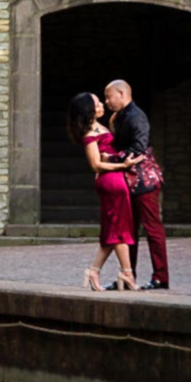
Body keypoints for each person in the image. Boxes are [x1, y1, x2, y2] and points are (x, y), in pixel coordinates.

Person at [66, 91, 138, 291]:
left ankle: (94, 270)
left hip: (115, 180)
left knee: (112, 230)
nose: (102, 105)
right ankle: (126, 272)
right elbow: (96, 165)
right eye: (97, 103)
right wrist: (123, 165)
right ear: (89, 110)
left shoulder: (103, 126)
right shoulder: (90, 134)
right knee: (118, 228)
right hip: (111, 181)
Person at [104, 79, 169, 291]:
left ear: (122, 94)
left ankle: (160, 277)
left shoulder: (136, 117)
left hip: (143, 181)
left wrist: (111, 159)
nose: (107, 102)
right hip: (129, 180)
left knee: (152, 229)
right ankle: (127, 276)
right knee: (128, 231)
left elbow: (139, 148)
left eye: (109, 97)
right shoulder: (121, 117)